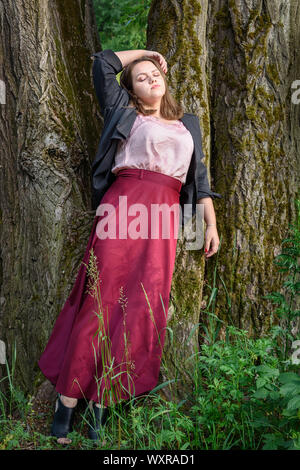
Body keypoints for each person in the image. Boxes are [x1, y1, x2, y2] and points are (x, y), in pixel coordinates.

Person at [38, 49, 222, 445]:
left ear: (165, 79)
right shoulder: (124, 112)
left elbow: (199, 180)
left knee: (142, 306)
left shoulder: (188, 124)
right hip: (122, 209)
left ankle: (103, 404)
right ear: (132, 90)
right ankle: (66, 402)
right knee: (98, 300)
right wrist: (145, 53)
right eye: (141, 76)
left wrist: (210, 225)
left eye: (155, 72)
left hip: (164, 218)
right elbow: (102, 63)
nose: (151, 78)